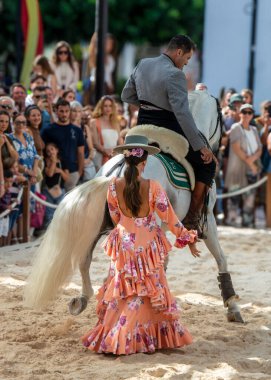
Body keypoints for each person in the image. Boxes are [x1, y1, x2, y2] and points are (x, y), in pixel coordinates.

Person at [81, 135, 199, 355]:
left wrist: (128, 227)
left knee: (122, 291)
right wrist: (188, 239)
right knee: (147, 291)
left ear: (126, 161)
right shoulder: (153, 186)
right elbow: (170, 218)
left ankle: (115, 332)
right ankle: (127, 335)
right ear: (144, 162)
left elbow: (115, 217)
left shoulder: (114, 186)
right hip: (148, 245)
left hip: (123, 243)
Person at [121, 35, 216, 236]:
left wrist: (149, 106)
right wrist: (201, 146)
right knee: (207, 164)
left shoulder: (143, 63)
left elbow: (126, 96)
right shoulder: (175, 74)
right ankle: (192, 218)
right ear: (179, 52)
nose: (186, 64)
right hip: (167, 133)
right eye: (187, 59)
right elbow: (182, 114)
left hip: (140, 130)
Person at [225, 104, 262, 227]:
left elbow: (260, 149)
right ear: (240, 113)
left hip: (252, 170)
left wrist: (253, 161)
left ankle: (247, 223)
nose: (246, 115)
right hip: (237, 170)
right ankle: (232, 222)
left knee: (250, 199)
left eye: (249, 112)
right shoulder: (236, 127)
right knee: (234, 198)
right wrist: (251, 163)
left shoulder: (254, 130)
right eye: (244, 112)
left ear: (252, 115)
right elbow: (236, 148)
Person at [41, 99, 84, 191]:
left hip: (73, 172)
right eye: (61, 111)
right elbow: (42, 151)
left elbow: (80, 152)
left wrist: (80, 172)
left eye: (67, 111)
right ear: (56, 111)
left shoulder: (77, 130)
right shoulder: (48, 130)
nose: (64, 114)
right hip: (54, 172)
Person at [43, 142, 69, 227]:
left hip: (60, 191)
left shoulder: (63, 162)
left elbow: (66, 178)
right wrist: (53, 161)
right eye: (48, 151)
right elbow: (50, 173)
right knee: (49, 215)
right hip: (48, 191)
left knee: (60, 213)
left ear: (57, 150)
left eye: (52, 149)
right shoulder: (46, 162)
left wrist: (60, 171)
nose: (50, 152)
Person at [90, 95, 120, 169]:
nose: (108, 108)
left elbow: (120, 142)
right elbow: (95, 143)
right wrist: (106, 152)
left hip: (114, 158)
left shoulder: (116, 123)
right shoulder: (94, 122)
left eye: (110, 106)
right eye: (105, 106)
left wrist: (115, 153)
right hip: (100, 158)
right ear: (101, 107)